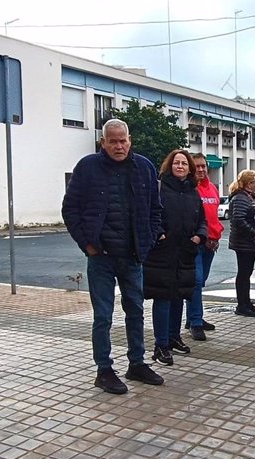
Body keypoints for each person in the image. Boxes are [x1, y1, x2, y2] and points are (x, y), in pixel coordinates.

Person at [62, 118, 163, 395]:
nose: (119, 146)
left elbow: (156, 209)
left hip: (133, 255)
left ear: (130, 141)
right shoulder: (87, 168)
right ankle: (104, 370)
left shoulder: (144, 167)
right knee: (103, 316)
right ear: (103, 143)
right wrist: (88, 244)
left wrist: (149, 239)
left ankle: (137, 363)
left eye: (123, 140)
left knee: (136, 311)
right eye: (113, 141)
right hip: (101, 257)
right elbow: (70, 209)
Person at [143, 150, 207, 365]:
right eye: (176, 163)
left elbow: (202, 220)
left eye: (184, 163)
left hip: (186, 252)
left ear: (189, 168)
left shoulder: (193, 192)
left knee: (179, 295)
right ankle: (160, 345)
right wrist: (159, 234)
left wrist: (199, 236)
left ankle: (173, 337)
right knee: (163, 298)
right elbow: (150, 214)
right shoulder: (160, 188)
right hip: (163, 252)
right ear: (169, 165)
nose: (180, 166)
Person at [177, 152, 223, 342]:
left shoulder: (212, 188)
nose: (201, 169)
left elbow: (213, 218)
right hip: (195, 243)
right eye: (197, 166)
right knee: (194, 281)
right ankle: (195, 322)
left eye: (204, 166)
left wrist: (216, 236)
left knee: (200, 281)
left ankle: (193, 317)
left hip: (211, 244)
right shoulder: (188, 190)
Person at [228, 170, 255, 317]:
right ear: (249, 183)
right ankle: (241, 304)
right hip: (243, 243)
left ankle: (246, 302)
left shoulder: (248, 197)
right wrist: (254, 233)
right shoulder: (241, 198)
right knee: (243, 273)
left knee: (246, 273)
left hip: (247, 242)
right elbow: (239, 220)